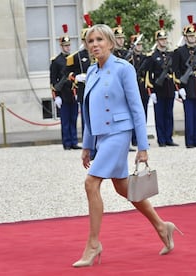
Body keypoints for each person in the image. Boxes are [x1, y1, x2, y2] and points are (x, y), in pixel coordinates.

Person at [73, 24, 182, 268]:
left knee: (91, 183)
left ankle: (93, 245)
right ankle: (162, 226)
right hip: (101, 137)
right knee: (124, 188)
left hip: (119, 133)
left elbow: (136, 108)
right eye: (90, 41)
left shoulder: (124, 69)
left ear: (111, 43)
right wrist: (87, 145)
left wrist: (142, 147)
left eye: (100, 39)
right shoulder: (91, 72)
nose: (94, 44)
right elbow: (89, 111)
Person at [172, 15, 196, 148]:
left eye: (194, 36)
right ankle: (190, 141)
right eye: (190, 36)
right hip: (187, 86)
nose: (192, 38)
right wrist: (179, 87)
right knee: (190, 115)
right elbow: (175, 71)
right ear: (185, 37)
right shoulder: (179, 52)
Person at [144, 19, 179, 147]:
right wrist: (151, 91)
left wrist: (176, 88)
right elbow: (149, 74)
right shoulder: (153, 57)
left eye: (165, 39)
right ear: (157, 41)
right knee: (159, 115)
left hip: (169, 87)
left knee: (169, 114)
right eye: (161, 39)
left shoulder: (170, 55)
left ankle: (169, 137)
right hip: (159, 88)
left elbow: (174, 72)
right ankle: (161, 139)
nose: (164, 41)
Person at [50, 24, 81, 150]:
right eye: (65, 46)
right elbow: (53, 80)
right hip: (62, 93)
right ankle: (66, 142)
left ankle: (74, 141)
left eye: (68, 45)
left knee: (73, 118)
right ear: (61, 46)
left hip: (72, 92)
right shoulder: (56, 61)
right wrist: (56, 96)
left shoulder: (73, 59)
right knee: (65, 120)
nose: (68, 48)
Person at [65, 14, 93, 134]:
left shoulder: (99, 54)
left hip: (98, 91)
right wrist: (76, 77)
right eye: (87, 41)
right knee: (86, 120)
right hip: (84, 90)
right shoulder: (76, 57)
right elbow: (67, 73)